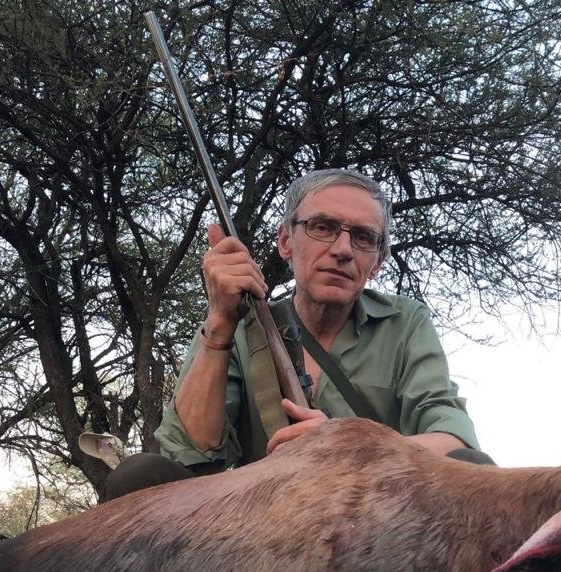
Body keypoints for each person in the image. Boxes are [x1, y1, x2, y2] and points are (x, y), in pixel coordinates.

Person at [104, 169, 490, 500]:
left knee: (475, 471)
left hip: (375, 516)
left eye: (363, 238)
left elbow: (454, 439)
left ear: (376, 263)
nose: (342, 249)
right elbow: (190, 452)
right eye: (322, 227)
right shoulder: (241, 324)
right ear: (286, 242)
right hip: (262, 513)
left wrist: (351, 447)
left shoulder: (406, 321)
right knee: (139, 477)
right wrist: (220, 321)